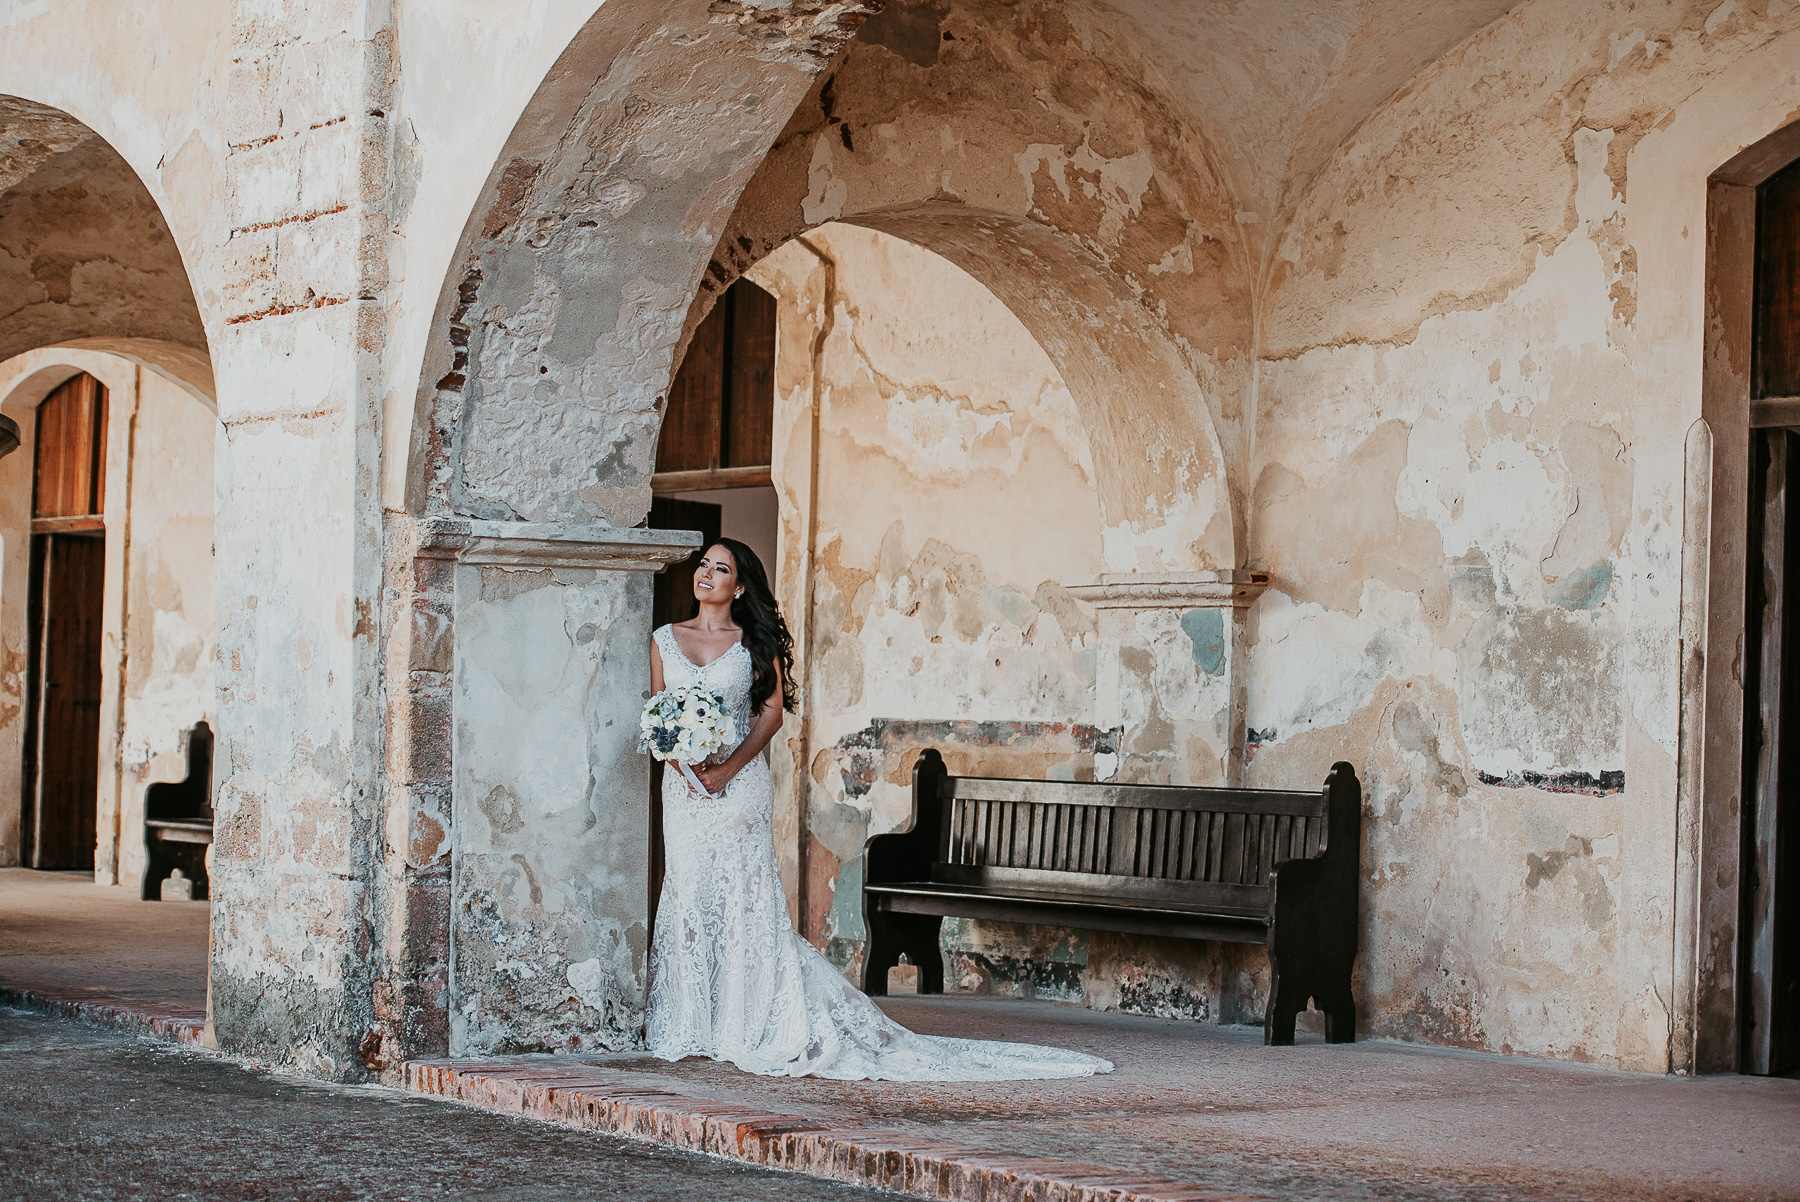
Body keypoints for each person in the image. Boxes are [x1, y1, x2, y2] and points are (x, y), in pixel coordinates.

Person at [645, 537, 1113, 1081]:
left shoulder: (751, 642)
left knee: (744, 898)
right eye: (703, 565)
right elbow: (659, 717)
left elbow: (771, 715)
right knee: (689, 889)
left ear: (740, 585)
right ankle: (692, 1021)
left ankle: (746, 1021)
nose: (705, 573)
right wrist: (687, 770)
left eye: (719, 568)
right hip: (683, 793)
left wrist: (726, 770)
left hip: (739, 786)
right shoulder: (664, 640)